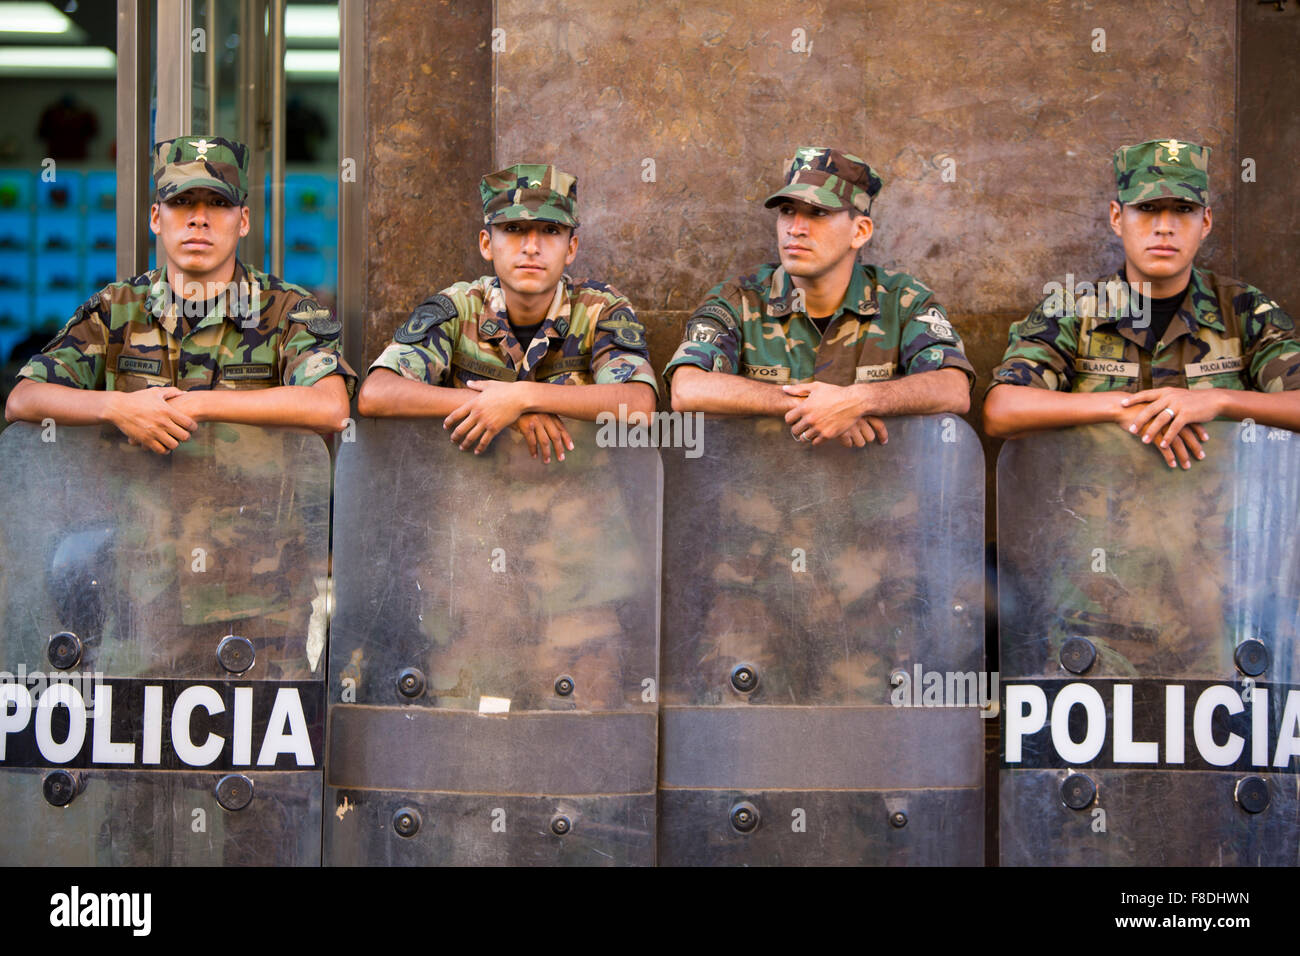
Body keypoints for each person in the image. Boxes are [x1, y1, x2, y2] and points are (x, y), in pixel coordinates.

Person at [4, 135, 355, 449]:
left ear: (244, 220)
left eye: (218, 204)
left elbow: (331, 407)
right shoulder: (118, 308)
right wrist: (117, 407)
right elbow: (24, 398)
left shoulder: (285, 309)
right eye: (182, 201)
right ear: (156, 218)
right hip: (139, 520)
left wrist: (197, 404)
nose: (198, 219)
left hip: (251, 520)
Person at [983, 138, 1300, 466]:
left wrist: (1219, 401)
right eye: (1147, 208)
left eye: (1183, 209)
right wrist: (1120, 407)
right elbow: (1001, 411)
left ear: (1205, 222)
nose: (1164, 227)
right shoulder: (1072, 310)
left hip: (1213, 514)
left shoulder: (1244, 309)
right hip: (1097, 513)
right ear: (1117, 217)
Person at [663, 146, 973, 446]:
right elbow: (687, 388)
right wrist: (810, 404)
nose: (795, 228)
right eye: (787, 211)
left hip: (873, 496)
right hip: (764, 496)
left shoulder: (903, 300)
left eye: (819, 213)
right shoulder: (740, 300)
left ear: (860, 231)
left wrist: (858, 401)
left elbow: (953, 388)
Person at [357, 163, 658, 462]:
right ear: (487, 244)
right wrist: (491, 405)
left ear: (571, 248)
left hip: (579, 503)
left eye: (551, 230)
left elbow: (639, 403)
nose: (531, 247)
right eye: (513, 229)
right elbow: (377, 393)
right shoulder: (459, 308)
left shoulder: (600, 308)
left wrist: (522, 398)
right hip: (476, 502)